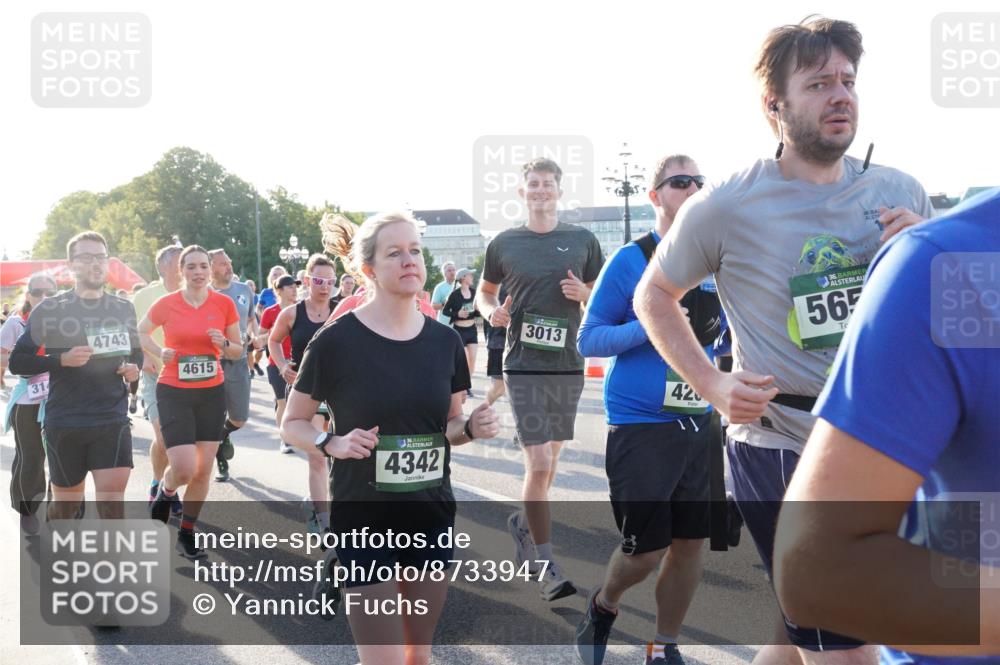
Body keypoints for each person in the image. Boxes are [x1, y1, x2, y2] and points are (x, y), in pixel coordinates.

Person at [634, 17, 933, 665]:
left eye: (848, 81)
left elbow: (942, 319)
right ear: (775, 106)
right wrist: (711, 384)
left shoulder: (900, 191)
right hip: (779, 441)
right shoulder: (727, 204)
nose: (840, 94)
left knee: (795, 633)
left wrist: (920, 259)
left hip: (876, 443)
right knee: (847, 647)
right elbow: (652, 296)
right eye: (819, 82)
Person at [773, 189, 1000, 662]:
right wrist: (712, 381)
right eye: (680, 183)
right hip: (777, 430)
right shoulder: (941, 266)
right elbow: (819, 571)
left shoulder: (905, 205)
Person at [281, 211, 499, 665]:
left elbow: (450, 426)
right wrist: (331, 444)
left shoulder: (445, 343)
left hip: (429, 513)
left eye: (415, 250)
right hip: (364, 515)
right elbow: (294, 423)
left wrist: (472, 428)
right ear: (368, 270)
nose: (409, 260)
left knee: (417, 656)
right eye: (394, 253)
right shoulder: (335, 341)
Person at [576, 154, 723, 665]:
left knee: (689, 544)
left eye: (700, 182)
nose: (693, 188)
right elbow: (589, 339)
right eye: (680, 182)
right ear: (655, 196)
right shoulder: (632, 260)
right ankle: (603, 604)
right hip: (641, 424)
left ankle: (664, 645)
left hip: (700, 421)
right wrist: (651, 320)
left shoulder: (716, 260)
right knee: (645, 552)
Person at [477, 157, 604, 601]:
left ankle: (523, 525)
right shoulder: (505, 242)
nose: (540, 191)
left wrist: (586, 294)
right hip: (523, 363)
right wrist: (488, 310)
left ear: (560, 191)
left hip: (568, 363)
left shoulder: (583, 240)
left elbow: (605, 297)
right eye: (533, 184)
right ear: (521, 192)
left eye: (547, 184)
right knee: (541, 464)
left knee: (551, 460)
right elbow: (485, 290)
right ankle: (547, 564)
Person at [9, 231, 141, 520]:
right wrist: (60, 360)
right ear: (71, 265)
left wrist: (133, 368)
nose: (95, 263)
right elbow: (17, 362)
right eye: (86, 257)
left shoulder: (122, 308)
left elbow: (135, 352)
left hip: (111, 418)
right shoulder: (52, 309)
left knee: (111, 505)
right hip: (65, 421)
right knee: (66, 508)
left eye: (101, 257)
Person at [140, 245, 242, 560]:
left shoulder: (223, 304)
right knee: (184, 468)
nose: (198, 272)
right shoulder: (166, 304)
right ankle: (166, 491)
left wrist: (224, 344)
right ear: (181, 271)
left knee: (203, 471)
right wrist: (159, 352)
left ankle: (187, 533)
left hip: (211, 393)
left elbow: (238, 350)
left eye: (203, 267)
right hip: (174, 391)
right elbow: (141, 331)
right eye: (191, 267)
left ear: (210, 271)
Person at [268, 254, 339, 534]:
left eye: (330, 282)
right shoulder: (292, 313)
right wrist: (283, 365)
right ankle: (323, 519)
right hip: (306, 391)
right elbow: (273, 341)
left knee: (340, 455)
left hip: (337, 391)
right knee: (318, 454)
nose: (325, 287)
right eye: (320, 281)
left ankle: (317, 500)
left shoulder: (341, 309)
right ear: (308, 281)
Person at [2, 273, 58, 535]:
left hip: (60, 397)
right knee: (32, 456)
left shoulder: (65, 322)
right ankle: (27, 510)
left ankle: (56, 510)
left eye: (50, 293)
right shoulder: (16, 322)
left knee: (60, 456)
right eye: (38, 292)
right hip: (27, 399)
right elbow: (3, 357)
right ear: (28, 295)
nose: (44, 298)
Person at [132, 245, 184, 513]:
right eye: (179, 261)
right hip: (156, 376)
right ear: (163, 266)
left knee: (185, 443)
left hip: (189, 378)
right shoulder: (144, 296)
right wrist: (142, 357)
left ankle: (169, 485)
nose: (185, 265)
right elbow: (131, 333)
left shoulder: (196, 295)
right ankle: (158, 482)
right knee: (164, 438)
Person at [208, 249, 262, 482]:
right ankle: (221, 460)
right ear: (210, 268)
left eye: (229, 262)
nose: (228, 267)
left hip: (238, 360)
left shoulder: (243, 290)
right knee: (213, 414)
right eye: (222, 264)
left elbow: (251, 319)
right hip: (211, 361)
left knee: (239, 417)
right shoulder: (203, 293)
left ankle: (222, 435)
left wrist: (255, 335)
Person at [259, 274, 299, 453]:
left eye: (295, 287)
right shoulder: (270, 312)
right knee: (282, 401)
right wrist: (275, 335)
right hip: (276, 363)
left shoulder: (301, 310)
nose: (294, 290)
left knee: (297, 402)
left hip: (298, 362)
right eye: (290, 287)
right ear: (280, 291)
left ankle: (299, 434)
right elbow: (260, 338)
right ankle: (285, 440)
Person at [442, 268, 480, 396]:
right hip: (459, 330)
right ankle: (463, 387)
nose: (472, 277)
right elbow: (445, 311)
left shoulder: (475, 293)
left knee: (473, 359)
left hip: (472, 330)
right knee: (463, 360)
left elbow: (478, 313)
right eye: (470, 275)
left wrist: (477, 309)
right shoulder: (454, 294)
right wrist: (457, 313)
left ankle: (467, 384)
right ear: (463, 278)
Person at [484, 284, 509, 405]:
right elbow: (477, 304)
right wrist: (493, 312)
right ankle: (482, 411)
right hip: (498, 342)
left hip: (519, 342)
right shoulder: (495, 281)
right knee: (499, 387)